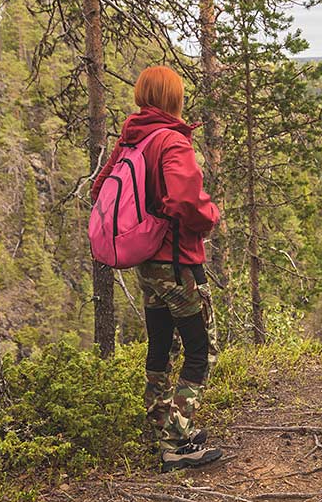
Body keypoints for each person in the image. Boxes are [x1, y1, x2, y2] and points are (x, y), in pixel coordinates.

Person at [90, 65, 222, 473]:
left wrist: (147, 219)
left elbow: (99, 192)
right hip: (178, 262)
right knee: (203, 349)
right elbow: (187, 204)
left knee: (161, 344)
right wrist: (210, 216)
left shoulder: (131, 140)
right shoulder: (171, 141)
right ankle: (177, 441)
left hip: (147, 262)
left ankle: (160, 421)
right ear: (174, 98)